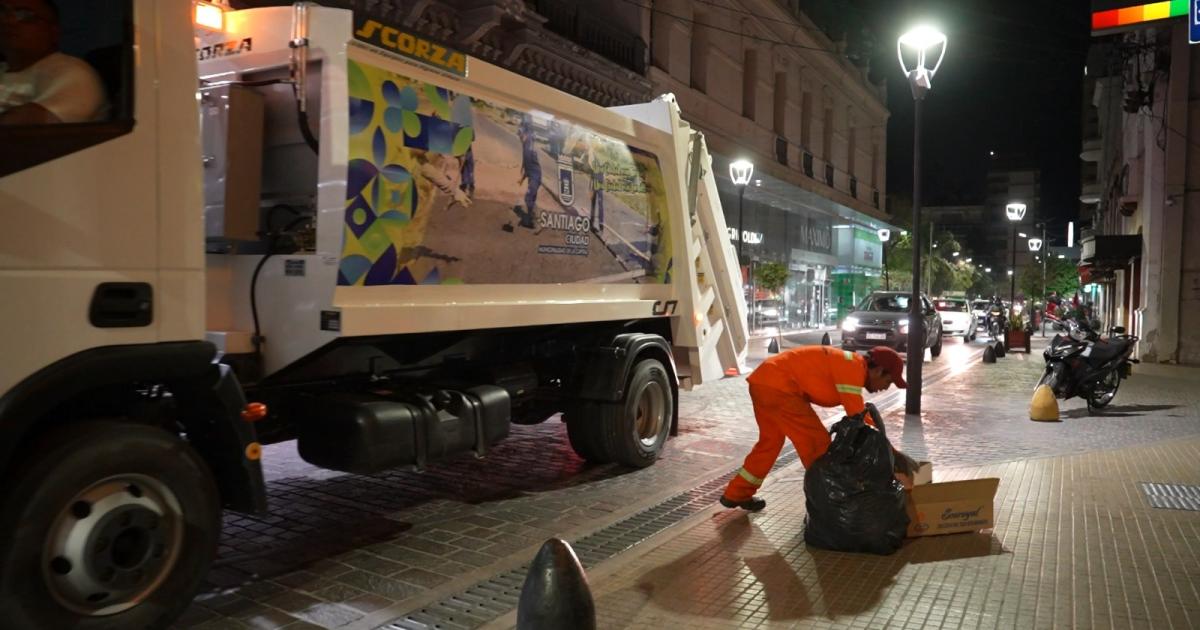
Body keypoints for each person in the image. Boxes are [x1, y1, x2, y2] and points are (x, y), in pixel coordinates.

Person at [719, 345, 913, 512]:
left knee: (769, 443)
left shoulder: (851, 364)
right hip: (781, 387)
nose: (885, 388)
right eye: (888, 381)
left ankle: (736, 493)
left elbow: (861, 415)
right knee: (817, 443)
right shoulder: (852, 369)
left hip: (764, 382)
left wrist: (890, 451)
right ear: (878, 370)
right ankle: (828, 502)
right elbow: (858, 417)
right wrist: (893, 454)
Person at [0, 0, 108, 124]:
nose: (8, 21)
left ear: (53, 31)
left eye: (25, 15)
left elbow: (29, 123)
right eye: (2, 13)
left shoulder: (72, 71)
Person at [515, 117, 540, 229]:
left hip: (535, 177)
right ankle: (532, 219)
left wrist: (526, 176)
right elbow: (527, 167)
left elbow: (530, 165)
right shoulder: (526, 146)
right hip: (532, 177)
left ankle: (535, 220)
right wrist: (522, 179)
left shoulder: (529, 147)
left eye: (520, 135)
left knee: (528, 198)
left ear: (525, 134)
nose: (519, 137)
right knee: (531, 198)